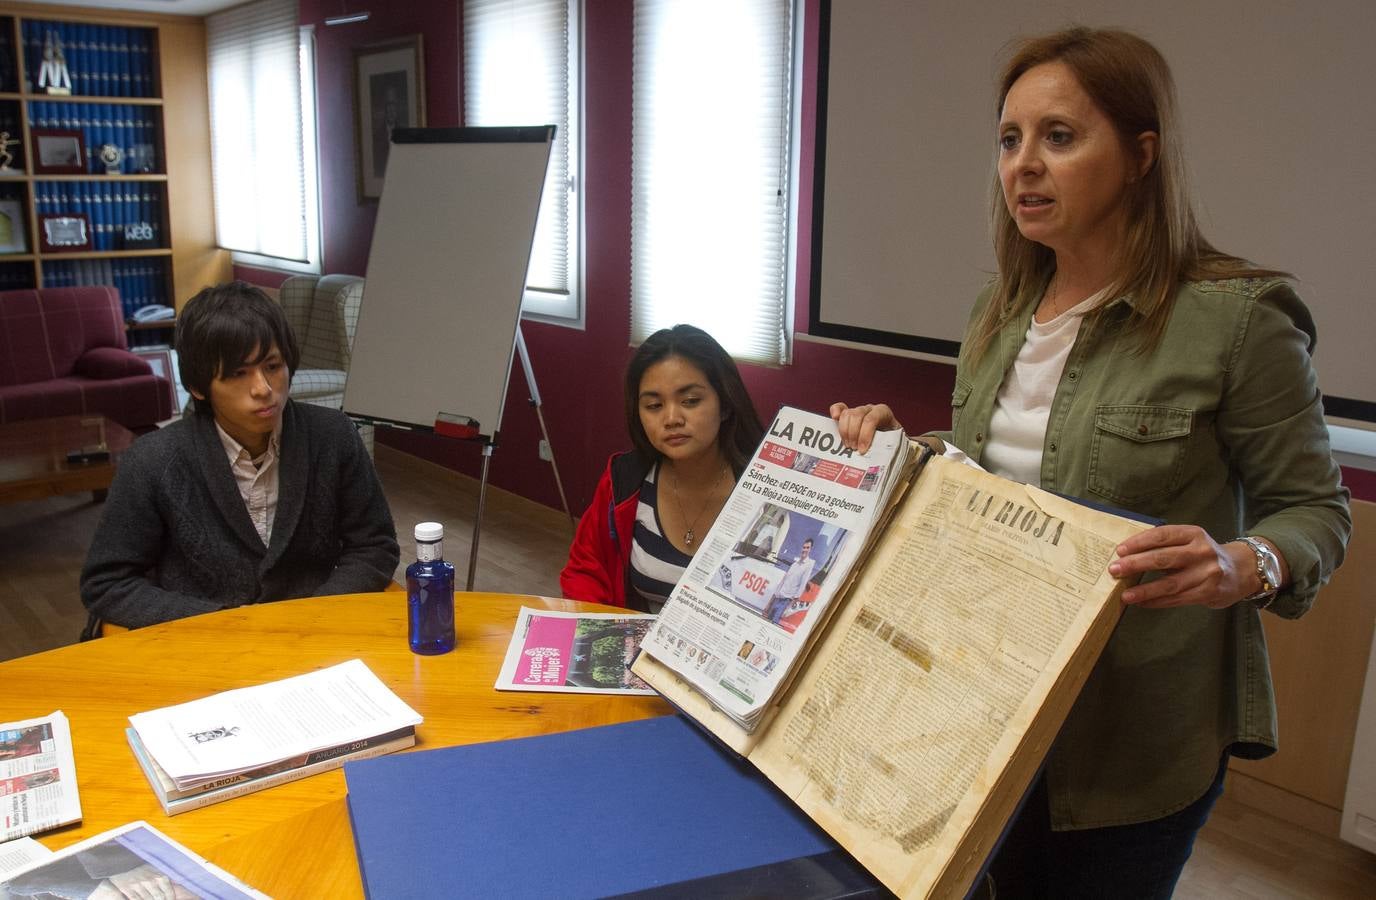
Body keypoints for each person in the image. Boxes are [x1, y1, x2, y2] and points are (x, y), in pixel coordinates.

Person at [831, 27, 1350, 897]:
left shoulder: (1237, 319)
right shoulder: (998, 308)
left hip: (1131, 738)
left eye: (1060, 137)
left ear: (1141, 156)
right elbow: (992, 474)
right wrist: (906, 454)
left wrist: (1241, 564)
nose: (1024, 165)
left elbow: (1318, 512)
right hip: (978, 700)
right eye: (1010, 140)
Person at [80, 282, 399, 630]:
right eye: (237, 373)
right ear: (199, 387)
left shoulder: (332, 435)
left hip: (317, 634)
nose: (263, 389)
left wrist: (314, 615)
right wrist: (225, 624)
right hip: (204, 643)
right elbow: (108, 583)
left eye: (272, 366)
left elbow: (374, 546)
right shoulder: (153, 461)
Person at [560, 324, 765, 612]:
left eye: (690, 401)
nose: (671, 419)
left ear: (725, 405)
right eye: (654, 406)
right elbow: (585, 571)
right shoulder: (625, 479)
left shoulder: (768, 484)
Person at [764, 537, 816, 625]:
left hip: (786, 602)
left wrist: (789, 606)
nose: (805, 550)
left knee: (774, 624)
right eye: (804, 547)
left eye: (807, 548)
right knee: (766, 623)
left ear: (811, 550)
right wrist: (770, 603)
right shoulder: (794, 564)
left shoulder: (808, 565)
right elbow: (783, 581)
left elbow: (802, 585)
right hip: (777, 598)